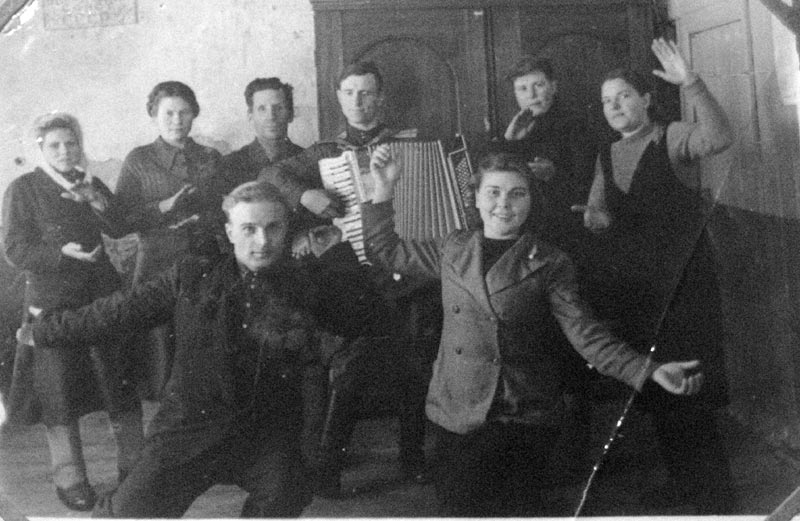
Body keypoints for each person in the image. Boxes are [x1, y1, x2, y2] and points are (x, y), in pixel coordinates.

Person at [361, 149, 705, 517]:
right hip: (456, 410)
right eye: (493, 192)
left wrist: (648, 370)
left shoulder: (549, 261)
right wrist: (383, 189)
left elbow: (587, 336)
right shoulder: (453, 248)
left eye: (517, 193)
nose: (503, 204)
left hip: (519, 412)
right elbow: (385, 251)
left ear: (530, 201)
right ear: (475, 198)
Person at [27, 181, 384, 518]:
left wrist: (338, 253)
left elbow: (368, 318)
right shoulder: (192, 276)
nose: (262, 241)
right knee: (127, 513)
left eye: (273, 227)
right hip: (189, 429)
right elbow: (119, 311)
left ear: (286, 228)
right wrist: (43, 330)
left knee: (287, 490)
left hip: (265, 436)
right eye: (249, 229)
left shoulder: (308, 283)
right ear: (230, 232)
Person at [571, 38, 736, 514]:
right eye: (607, 100)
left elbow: (720, 138)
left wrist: (692, 83)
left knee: (691, 393)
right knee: (659, 389)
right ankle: (686, 488)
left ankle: (717, 502)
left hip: (686, 290)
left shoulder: (672, 137)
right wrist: (595, 219)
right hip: (639, 294)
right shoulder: (607, 154)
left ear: (646, 98)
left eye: (623, 96)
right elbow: (599, 213)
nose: (614, 106)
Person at [263, 61, 435, 495]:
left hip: (406, 272)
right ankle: (328, 465)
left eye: (367, 92)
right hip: (353, 275)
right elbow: (270, 175)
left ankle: (412, 456)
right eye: (350, 93)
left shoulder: (414, 145)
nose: (358, 101)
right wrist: (307, 195)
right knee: (352, 362)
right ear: (339, 98)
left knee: (416, 361)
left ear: (381, 97)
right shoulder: (324, 152)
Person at [1, 112, 144, 511]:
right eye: (55, 145)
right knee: (58, 392)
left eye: (71, 143)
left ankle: (135, 469)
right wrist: (59, 254)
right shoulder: (24, 189)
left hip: (101, 298)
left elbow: (120, 226)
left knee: (118, 383)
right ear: (41, 149)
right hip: (53, 304)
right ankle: (70, 480)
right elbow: (13, 249)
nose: (65, 151)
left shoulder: (91, 183)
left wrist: (96, 201)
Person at [115, 81, 222, 395]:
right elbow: (121, 220)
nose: (177, 120)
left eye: (184, 112)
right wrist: (164, 207)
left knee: (202, 330)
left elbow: (225, 207)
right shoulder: (139, 159)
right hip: (156, 261)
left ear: (194, 114)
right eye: (169, 113)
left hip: (203, 256)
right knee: (159, 337)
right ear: (154, 116)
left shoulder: (210, 157)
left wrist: (205, 218)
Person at [492, 56, 597, 256]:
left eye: (538, 85)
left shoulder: (577, 126)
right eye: (522, 89)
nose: (531, 95)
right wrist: (509, 141)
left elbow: (590, 188)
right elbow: (496, 179)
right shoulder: (515, 127)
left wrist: (554, 175)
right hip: (521, 230)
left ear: (553, 87)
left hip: (565, 232)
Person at [215, 77, 305, 197]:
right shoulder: (229, 165)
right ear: (250, 115)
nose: (271, 116)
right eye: (262, 109)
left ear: (291, 114)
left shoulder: (309, 160)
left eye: (278, 108)